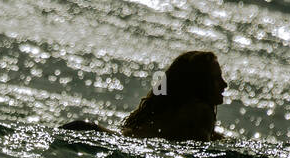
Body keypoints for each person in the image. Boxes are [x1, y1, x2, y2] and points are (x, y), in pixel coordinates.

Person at [60, 50, 227, 142]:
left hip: (91, 130)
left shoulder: (173, 114)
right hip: (98, 136)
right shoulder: (199, 113)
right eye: (216, 79)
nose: (224, 84)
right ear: (198, 84)